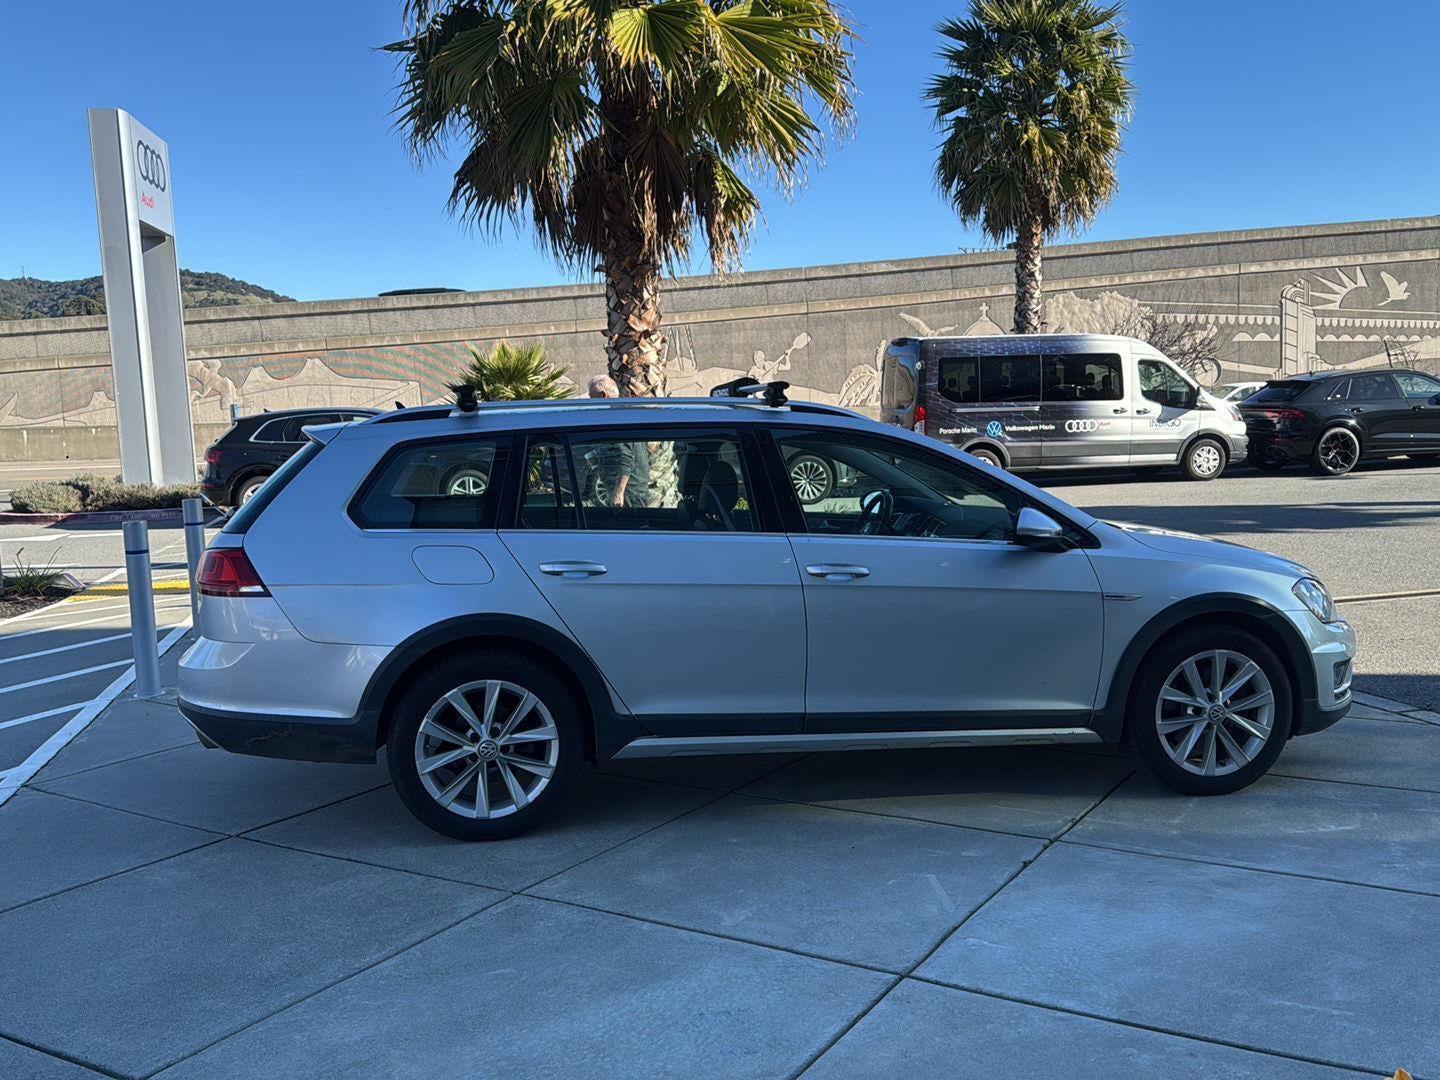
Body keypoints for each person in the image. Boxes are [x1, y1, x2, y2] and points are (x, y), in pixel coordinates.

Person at [586, 375, 650, 508]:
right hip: (632, 495)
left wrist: (618, 494)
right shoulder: (623, 415)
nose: (590, 403)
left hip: (628, 498)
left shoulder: (615, 420)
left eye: (592, 398)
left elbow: (624, 458)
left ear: (603, 396)